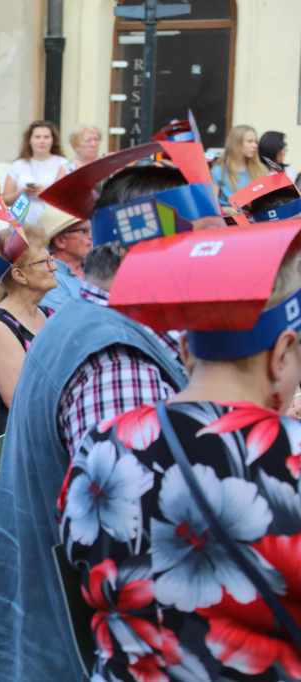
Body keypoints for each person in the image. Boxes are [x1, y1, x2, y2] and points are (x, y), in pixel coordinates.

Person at [0, 161, 218, 681]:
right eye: (202, 247)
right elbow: (131, 538)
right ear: (150, 250)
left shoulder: (88, 325)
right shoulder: (117, 358)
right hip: (86, 652)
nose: (213, 265)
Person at [59, 224, 301, 682]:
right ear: (282, 352)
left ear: (186, 348)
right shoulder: (291, 452)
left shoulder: (99, 446)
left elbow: (81, 571)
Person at [0, 225, 57, 436]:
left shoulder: (51, 314)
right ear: (19, 275)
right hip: (23, 441)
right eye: (44, 262)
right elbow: (21, 402)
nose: (54, 267)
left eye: (52, 258)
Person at [3, 120, 67, 226]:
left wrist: (45, 193)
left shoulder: (63, 164)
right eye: (37, 137)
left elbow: (66, 198)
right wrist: (22, 192)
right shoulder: (18, 164)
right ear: (29, 140)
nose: (42, 141)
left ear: (53, 140)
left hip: (52, 223)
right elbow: (5, 200)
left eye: (46, 137)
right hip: (23, 224)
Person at [38, 205, 92, 311]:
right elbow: (70, 322)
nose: (90, 236)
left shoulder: (96, 267)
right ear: (60, 241)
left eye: (90, 230)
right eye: (83, 231)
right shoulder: (50, 279)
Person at [212, 124, 267, 207]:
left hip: (255, 218)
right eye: (250, 141)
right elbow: (211, 206)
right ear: (236, 144)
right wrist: (227, 210)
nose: (255, 146)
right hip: (228, 218)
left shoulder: (260, 169)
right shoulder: (218, 171)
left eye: (256, 142)